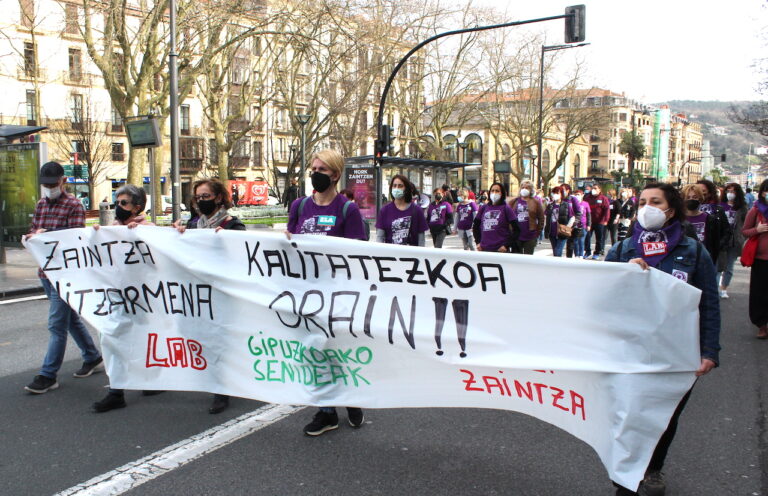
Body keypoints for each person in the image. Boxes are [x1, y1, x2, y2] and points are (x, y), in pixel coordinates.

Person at [606, 183, 720, 496]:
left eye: (655, 201)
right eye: (642, 201)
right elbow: (600, 295)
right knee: (629, 413)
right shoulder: (623, 250)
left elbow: (709, 304)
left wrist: (709, 351)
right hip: (630, 348)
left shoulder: (693, 251)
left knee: (665, 415)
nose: (647, 207)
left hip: (677, 351)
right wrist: (622, 273)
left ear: (671, 210)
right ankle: (627, 474)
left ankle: (653, 467)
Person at [284, 149, 366, 436]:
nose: (315, 173)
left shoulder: (347, 209)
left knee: (338, 351)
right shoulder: (299, 206)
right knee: (313, 351)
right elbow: (290, 244)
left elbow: (358, 254)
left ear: (335, 174)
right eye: (313, 168)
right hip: (307, 292)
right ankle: (327, 411)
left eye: (322, 169)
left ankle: (352, 397)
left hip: (337, 294)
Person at [24, 162, 103, 394]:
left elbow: (74, 238)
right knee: (69, 320)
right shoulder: (41, 205)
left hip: (66, 275)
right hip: (45, 272)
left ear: (63, 181)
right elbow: (34, 228)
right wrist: (32, 236)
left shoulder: (74, 205)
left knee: (56, 324)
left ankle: (48, 375)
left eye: (53, 184)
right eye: (46, 185)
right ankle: (92, 356)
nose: (50, 188)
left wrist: (46, 235)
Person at [175, 178, 246, 414]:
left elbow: (243, 256)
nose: (201, 201)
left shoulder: (232, 225)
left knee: (220, 340)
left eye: (206, 196)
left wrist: (229, 240)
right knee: (204, 337)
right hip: (199, 292)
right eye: (198, 197)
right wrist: (178, 235)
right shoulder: (193, 225)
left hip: (223, 293)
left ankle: (222, 390)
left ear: (218, 198)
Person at [91, 185, 160, 412]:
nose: (118, 207)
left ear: (137, 207)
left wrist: (139, 236)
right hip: (116, 296)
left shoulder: (148, 229)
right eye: (116, 202)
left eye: (123, 203)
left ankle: (150, 380)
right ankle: (116, 391)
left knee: (141, 339)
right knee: (113, 338)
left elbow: (158, 262)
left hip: (142, 297)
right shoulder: (111, 230)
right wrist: (95, 236)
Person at [743, 179, 768, 339]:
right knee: (759, 293)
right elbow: (745, 231)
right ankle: (762, 325)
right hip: (761, 259)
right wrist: (757, 230)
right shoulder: (756, 210)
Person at [376, 175, 427, 246]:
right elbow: (380, 237)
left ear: (406, 189)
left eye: (400, 186)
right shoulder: (384, 211)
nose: (397, 188)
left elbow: (421, 240)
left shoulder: (417, 210)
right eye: (394, 186)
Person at [717, 183, 748, 299]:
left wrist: (742, 238)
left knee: (729, 268)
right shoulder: (720, 206)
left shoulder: (742, 208)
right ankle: (715, 288)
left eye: (733, 191)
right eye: (728, 191)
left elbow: (746, 224)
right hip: (720, 240)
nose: (730, 193)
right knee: (718, 266)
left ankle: (724, 288)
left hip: (734, 241)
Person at [472, 182, 516, 252]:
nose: (494, 193)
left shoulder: (506, 208)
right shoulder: (484, 208)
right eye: (492, 191)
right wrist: (478, 242)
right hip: (484, 249)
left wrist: (506, 245)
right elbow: (475, 226)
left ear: (502, 193)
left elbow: (516, 229)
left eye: (497, 191)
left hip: (500, 250)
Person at [681, 184, 720, 264]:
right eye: (688, 197)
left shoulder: (710, 219)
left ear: (700, 198)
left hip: (704, 259)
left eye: (694, 197)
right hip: (684, 260)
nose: (691, 199)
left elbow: (715, 243)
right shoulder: (679, 220)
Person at [508, 180, 544, 254]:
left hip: (530, 236)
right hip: (516, 235)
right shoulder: (513, 202)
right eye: (523, 187)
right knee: (516, 257)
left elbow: (541, 218)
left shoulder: (535, 202)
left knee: (528, 258)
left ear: (531, 190)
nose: (524, 189)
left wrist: (538, 232)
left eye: (527, 188)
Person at [697, 179, 731, 251]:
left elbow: (726, 231)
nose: (700, 194)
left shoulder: (718, 209)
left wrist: (717, 246)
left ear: (710, 193)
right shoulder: (687, 209)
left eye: (703, 191)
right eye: (697, 191)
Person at [544, 186, 575, 257]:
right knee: (555, 251)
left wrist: (567, 227)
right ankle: (557, 262)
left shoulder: (566, 205)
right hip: (552, 231)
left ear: (561, 194)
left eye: (557, 193)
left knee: (557, 251)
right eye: (554, 193)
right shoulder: (550, 205)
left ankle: (557, 262)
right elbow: (545, 216)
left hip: (562, 232)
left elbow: (572, 217)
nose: (555, 195)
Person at [583, 183, 610, 260]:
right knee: (587, 237)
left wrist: (606, 219)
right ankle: (587, 251)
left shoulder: (603, 198)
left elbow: (607, 209)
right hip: (589, 222)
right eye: (593, 188)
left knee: (599, 238)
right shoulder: (587, 198)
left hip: (600, 222)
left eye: (595, 188)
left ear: (599, 190)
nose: (593, 190)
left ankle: (597, 253)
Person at [560, 184, 582, 258]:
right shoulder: (559, 199)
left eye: (563, 189)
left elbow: (578, 212)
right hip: (561, 225)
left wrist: (575, 222)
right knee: (559, 244)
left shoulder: (573, 199)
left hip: (571, 225)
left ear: (568, 190)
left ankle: (569, 257)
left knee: (570, 244)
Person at [572, 190, 590, 259]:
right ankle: (576, 254)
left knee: (581, 241)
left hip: (583, 225)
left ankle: (581, 255)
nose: (577, 196)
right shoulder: (573, 203)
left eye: (578, 194)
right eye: (576, 194)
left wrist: (589, 225)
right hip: (575, 225)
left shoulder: (585, 204)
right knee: (575, 241)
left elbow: (588, 215)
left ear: (582, 195)